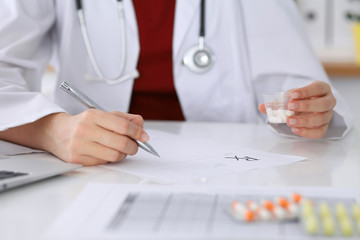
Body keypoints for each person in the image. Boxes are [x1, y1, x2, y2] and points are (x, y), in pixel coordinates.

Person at [0, 0, 352, 166]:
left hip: (226, 167)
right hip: (92, 166)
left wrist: (307, 110)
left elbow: (292, 85)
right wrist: (51, 130)